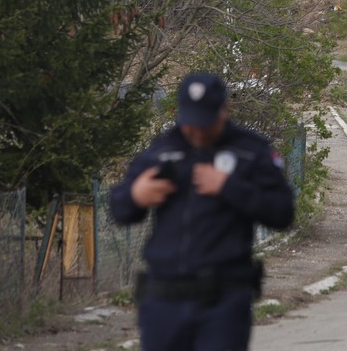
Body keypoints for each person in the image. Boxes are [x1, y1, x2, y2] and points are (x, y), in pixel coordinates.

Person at [109, 72, 294, 351]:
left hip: (222, 302)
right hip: (163, 300)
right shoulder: (163, 149)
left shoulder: (250, 151)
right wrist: (136, 195)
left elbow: (282, 212)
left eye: (205, 123)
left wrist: (228, 187)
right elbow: (119, 209)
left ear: (225, 111)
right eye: (190, 123)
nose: (196, 131)